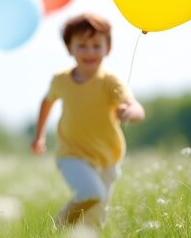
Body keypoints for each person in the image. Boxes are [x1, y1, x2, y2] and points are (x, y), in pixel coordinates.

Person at [30, 13, 145, 229]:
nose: (89, 51)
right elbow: (47, 102)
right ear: (69, 48)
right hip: (71, 154)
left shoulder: (110, 81)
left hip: (107, 158)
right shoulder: (61, 80)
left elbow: (136, 106)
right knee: (91, 193)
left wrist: (131, 112)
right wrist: (39, 136)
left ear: (107, 48)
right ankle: (57, 226)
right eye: (82, 45)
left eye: (96, 45)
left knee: (95, 219)